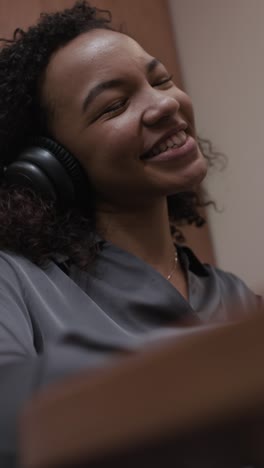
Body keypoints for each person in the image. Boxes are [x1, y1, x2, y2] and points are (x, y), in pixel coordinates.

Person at [0, 2, 260, 467]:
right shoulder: (15, 282)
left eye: (160, 81)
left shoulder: (233, 295)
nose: (164, 104)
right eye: (115, 105)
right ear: (52, 163)